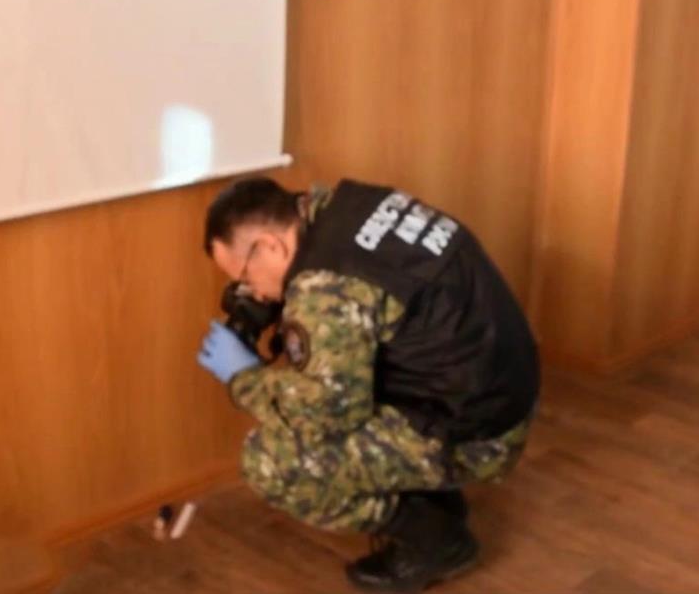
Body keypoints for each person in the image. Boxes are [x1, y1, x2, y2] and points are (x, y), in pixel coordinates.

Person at [196, 176, 539, 592]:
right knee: (351, 369)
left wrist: (243, 378)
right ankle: (429, 492)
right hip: (498, 393)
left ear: (271, 245)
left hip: (476, 432)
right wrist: (282, 297)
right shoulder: (348, 207)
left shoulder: (327, 289)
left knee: (272, 461)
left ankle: (436, 539)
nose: (252, 291)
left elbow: (325, 416)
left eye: (246, 276)